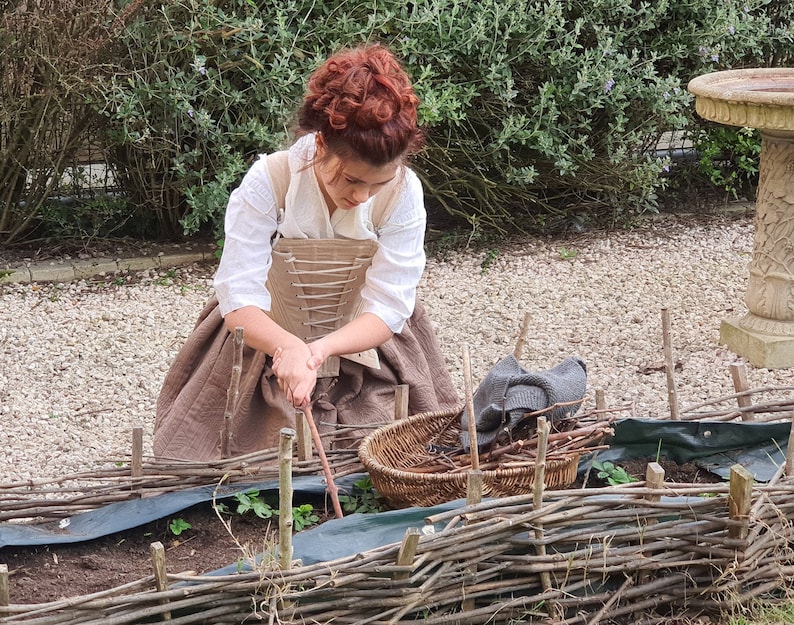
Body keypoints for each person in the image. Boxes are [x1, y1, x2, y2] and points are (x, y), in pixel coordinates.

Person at [153, 43, 460, 460]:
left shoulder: (405, 191)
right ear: (319, 145)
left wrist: (318, 349)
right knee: (226, 463)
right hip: (263, 332)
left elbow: (390, 304)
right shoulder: (271, 180)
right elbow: (238, 294)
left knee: (399, 457)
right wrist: (288, 346)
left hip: (366, 339)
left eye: (377, 184)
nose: (362, 196)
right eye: (352, 179)